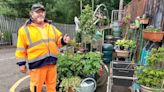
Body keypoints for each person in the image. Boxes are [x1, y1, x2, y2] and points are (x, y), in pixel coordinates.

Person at [15, 3, 70, 92]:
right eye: (37, 12)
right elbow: (21, 48)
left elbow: (58, 40)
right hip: (37, 66)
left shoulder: (50, 27)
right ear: (31, 14)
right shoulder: (24, 30)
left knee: (52, 87)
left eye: (42, 12)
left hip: (51, 64)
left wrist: (63, 40)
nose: (40, 14)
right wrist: (21, 64)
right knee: (36, 88)